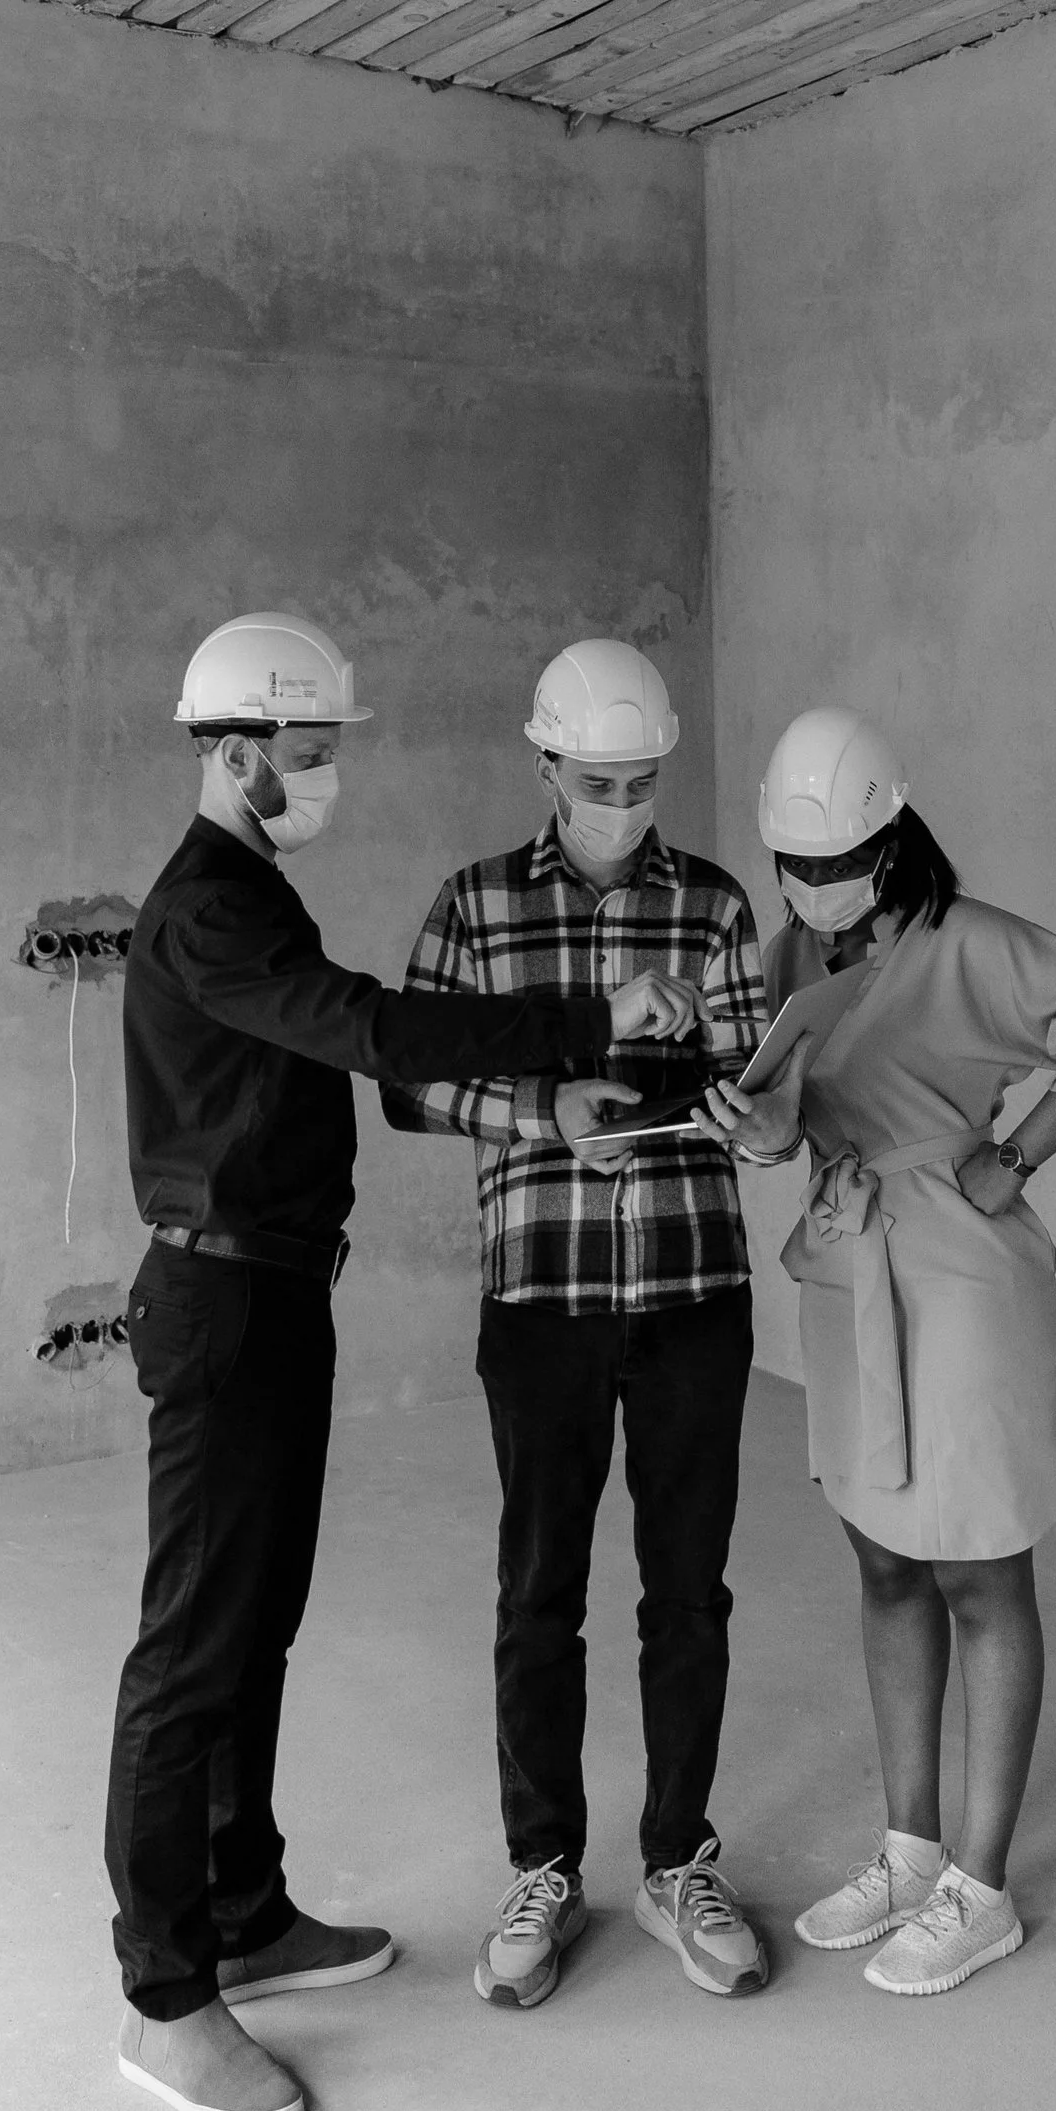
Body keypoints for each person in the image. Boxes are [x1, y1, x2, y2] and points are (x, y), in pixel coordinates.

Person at [109, 613, 704, 2111]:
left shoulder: (252, 891)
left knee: (256, 1627)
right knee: (193, 1650)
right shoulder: (211, 912)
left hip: (275, 1294)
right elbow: (375, 1033)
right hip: (223, 1300)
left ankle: (246, 1908)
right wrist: (585, 1016)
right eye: (308, 757)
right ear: (233, 753)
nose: (324, 780)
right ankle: (167, 1999)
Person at [698, 708, 1056, 1998]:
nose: (812, 887)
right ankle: (909, 1847)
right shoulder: (792, 952)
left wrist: (1012, 1157)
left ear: (892, 836)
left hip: (959, 1271)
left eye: (835, 860)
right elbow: (792, 1117)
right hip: (849, 1262)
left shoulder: (974, 944)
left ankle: (982, 1882)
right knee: (885, 1558)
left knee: (979, 1567)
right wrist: (753, 1122)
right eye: (793, 862)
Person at [382, 639, 777, 2010]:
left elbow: (760, 1082)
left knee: (690, 1593)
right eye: (598, 777)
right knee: (538, 1593)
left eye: (645, 778)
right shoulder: (478, 907)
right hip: (542, 1296)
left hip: (689, 1295)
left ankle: (680, 1862)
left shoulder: (718, 908)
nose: (623, 798)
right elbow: (410, 1083)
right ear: (544, 763)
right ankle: (543, 1862)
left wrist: (753, 1110)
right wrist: (541, 1112)